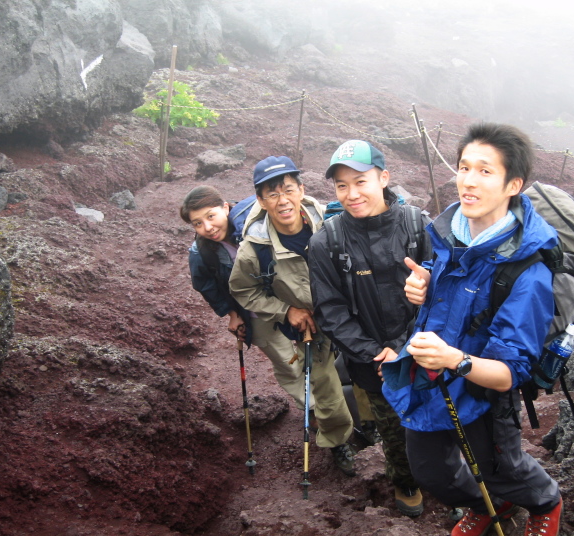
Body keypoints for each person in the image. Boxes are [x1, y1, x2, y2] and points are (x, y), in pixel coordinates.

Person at [381, 123, 564, 536]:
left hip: (481, 386)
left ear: (513, 184)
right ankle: (488, 507)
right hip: (431, 376)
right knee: (431, 471)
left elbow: (509, 372)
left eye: (485, 171)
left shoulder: (527, 272)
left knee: (502, 469)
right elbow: (456, 288)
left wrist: (454, 359)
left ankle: (546, 504)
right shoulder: (451, 234)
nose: (468, 181)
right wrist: (422, 285)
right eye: (464, 167)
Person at [308, 140, 431, 517]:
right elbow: (330, 311)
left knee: (439, 417)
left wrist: (404, 346)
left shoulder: (417, 225)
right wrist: (377, 353)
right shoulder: (326, 241)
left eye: (360, 181)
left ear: (384, 178)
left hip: (426, 348)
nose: (351, 193)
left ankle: (450, 481)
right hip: (372, 362)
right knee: (392, 426)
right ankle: (405, 480)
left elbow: (442, 290)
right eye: (341, 185)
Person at [229, 155, 356, 476]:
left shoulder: (330, 221)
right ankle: (337, 439)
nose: (282, 200)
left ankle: (373, 419)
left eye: (288, 190)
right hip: (306, 324)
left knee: (368, 365)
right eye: (272, 194)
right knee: (324, 383)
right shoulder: (254, 248)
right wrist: (287, 311)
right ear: (260, 200)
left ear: (301, 189)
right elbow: (243, 291)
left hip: (344, 312)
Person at [180, 185, 313, 414]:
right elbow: (207, 287)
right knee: (286, 362)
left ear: (225, 207)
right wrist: (233, 315)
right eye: (197, 223)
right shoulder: (201, 253)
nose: (208, 228)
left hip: (295, 301)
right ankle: (313, 410)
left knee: (314, 355)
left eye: (211, 216)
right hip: (255, 311)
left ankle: (331, 398)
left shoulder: (257, 221)